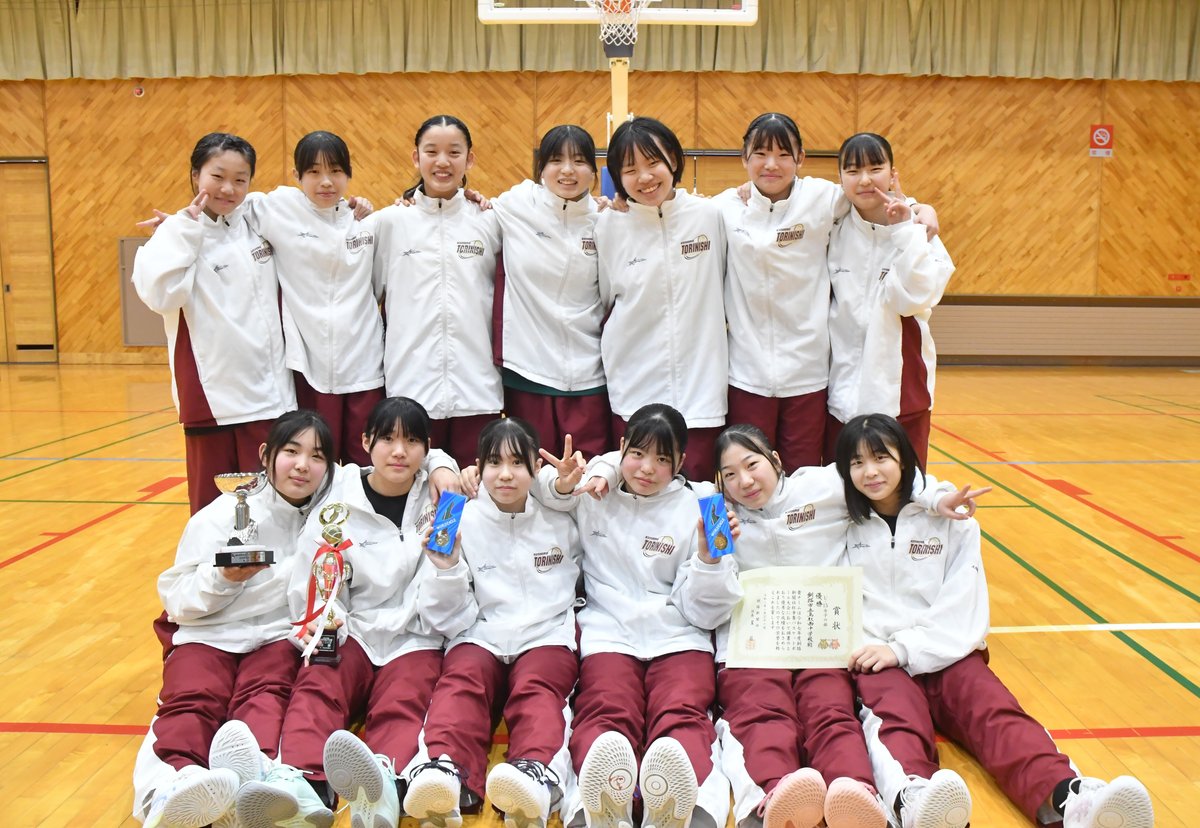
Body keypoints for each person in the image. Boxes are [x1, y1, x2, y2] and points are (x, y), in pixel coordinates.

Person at [836, 413, 1155, 828]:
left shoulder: (954, 522)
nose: (870, 472)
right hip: (879, 656)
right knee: (895, 721)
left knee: (996, 711)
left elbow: (961, 604)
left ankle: (1069, 800)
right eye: (857, 462)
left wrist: (905, 649)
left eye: (881, 457)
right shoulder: (839, 523)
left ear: (905, 459)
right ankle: (914, 802)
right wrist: (882, 649)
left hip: (945, 651)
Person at [711, 424, 983, 828]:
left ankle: (854, 792)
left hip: (822, 638)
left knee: (832, 710)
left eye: (752, 465)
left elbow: (881, 476)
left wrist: (936, 497)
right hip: (756, 643)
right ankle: (770, 797)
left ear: (776, 461)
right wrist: (712, 557)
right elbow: (651, 482)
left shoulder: (822, 486)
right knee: (758, 711)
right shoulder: (717, 512)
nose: (745, 481)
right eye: (730, 474)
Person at [239, 397, 461, 828]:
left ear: (428, 449)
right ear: (365, 442)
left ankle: (382, 786)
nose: (400, 451)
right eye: (388, 439)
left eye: (412, 442)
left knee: (404, 701)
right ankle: (299, 784)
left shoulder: (445, 503)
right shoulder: (336, 499)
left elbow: (450, 582)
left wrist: (443, 466)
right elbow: (316, 576)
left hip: (415, 634)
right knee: (318, 682)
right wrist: (327, 621)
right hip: (354, 628)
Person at [539, 404, 741, 828]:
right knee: (604, 710)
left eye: (663, 458)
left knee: (683, 712)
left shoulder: (707, 505)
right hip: (609, 634)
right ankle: (593, 807)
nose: (647, 468)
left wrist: (708, 560)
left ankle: (691, 807)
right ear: (621, 450)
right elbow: (547, 494)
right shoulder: (593, 491)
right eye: (637, 454)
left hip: (680, 636)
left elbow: (708, 611)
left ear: (681, 462)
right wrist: (580, 477)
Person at [131, 410, 335, 828]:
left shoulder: (329, 515)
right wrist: (224, 579)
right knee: (193, 700)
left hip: (275, 637)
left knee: (267, 698)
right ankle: (172, 786)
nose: (302, 465)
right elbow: (178, 599)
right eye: (291, 451)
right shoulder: (222, 513)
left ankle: (251, 786)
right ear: (265, 454)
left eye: (316, 456)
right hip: (209, 634)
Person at [402, 417, 582, 828]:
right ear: (477, 468)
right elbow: (444, 618)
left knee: (538, 690)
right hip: (478, 632)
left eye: (517, 463)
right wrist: (447, 569)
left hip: (546, 633)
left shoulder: (561, 513)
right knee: (461, 683)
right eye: (494, 463)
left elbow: (583, 484)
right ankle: (444, 771)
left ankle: (535, 775)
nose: (505, 474)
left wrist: (563, 485)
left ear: (537, 469)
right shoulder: (454, 516)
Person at [132, 132, 295, 514]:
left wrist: (354, 207)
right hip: (213, 400)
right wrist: (181, 231)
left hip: (271, 398)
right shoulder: (175, 235)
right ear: (195, 176)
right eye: (217, 176)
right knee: (212, 516)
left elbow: (309, 205)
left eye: (240, 179)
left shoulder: (256, 224)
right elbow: (161, 296)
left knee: (274, 511)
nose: (228, 189)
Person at [595, 117, 728, 482]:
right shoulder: (607, 226)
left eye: (653, 162)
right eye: (630, 169)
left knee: (700, 493)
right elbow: (606, 301)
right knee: (636, 490)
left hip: (701, 391)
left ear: (672, 158)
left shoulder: (709, 215)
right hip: (633, 388)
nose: (644, 177)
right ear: (617, 177)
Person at [373, 115, 502, 467]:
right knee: (416, 488)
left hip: (477, 389)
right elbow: (367, 296)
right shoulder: (391, 222)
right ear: (416, 157)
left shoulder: (489, 220)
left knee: (471, 489)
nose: (442, 161)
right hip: (410, 388)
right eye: (431, 152)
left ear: (469, 159)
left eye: (454, 152)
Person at [250, 130, 384, 465]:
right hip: (308, 367)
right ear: (296, 175)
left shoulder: (366, 223)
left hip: (365, 362)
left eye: (335, 171)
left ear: (349, 174)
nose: (326, 181)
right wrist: (181, 225)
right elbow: (226, 210)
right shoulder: (277, 210)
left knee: (364, 461)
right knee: (314, 460)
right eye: (313, 171)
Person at [825, 134, 954, 469]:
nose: (865, 180)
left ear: (893, 174)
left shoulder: (921, 232)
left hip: (901, 399)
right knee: (842, 492)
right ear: (840, 179)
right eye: (853, 171)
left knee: (904, 493)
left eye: (875, 168)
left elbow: (915, 297)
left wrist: (906, 229)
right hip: (838, 399)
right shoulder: (832, 228)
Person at [491, 125, 611, 459]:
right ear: (541, 168)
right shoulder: (515, 206)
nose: (568, 170)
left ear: (594, 170)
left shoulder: (607, 220)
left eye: (579, 161)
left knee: (588, 473)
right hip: (527, 370)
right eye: (556, 160)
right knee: (530, 473)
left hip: (591, 373)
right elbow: (459, 213)